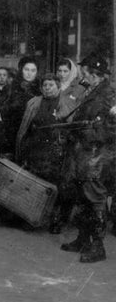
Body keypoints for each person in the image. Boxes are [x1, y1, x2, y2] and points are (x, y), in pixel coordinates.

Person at [60, 54, 115, 263]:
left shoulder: (109, 94)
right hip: (83, 152)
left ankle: (98, 246)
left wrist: (91, 132)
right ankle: (83, 239)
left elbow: (111, 127)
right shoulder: (92, 90)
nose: (82, 75)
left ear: (95, 74)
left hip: (96, 155)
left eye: (85, 72)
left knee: (95, 199)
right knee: (82, 197)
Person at [15, 73, 76, 234]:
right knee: (35, 185)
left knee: (57, 187)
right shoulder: (34, 102)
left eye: (51, 85)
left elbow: (71, 130)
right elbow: (25, 128)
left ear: (58, 86)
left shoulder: (66, 103)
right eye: (45, 86)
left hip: (57, 152)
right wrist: (22, 148)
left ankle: (56, 220)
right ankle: (32, 218)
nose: (47, 88)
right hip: (36, 150)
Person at [2, 56, 41, 156]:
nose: (29, 73)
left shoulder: (41, 89)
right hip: (11, 133)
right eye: (26, 69)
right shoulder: (10, 88)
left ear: (37, 72)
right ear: (21, 70)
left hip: (32, 134)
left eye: (33, 70)